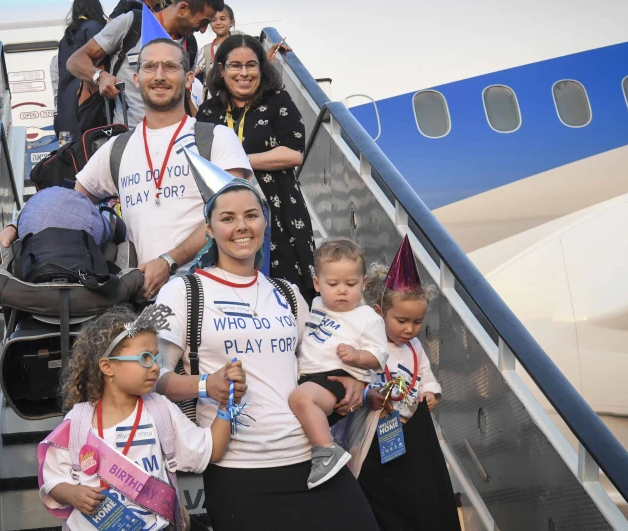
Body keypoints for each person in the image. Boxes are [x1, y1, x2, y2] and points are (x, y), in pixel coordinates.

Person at [152, 154, 380, 531]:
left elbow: (321, 361)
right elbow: (148, 376)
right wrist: (207, 385)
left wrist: (354, 378)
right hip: (239, 471)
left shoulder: (289, 293)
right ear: (208, 229)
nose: (241, 227)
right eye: (227, 218)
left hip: (313, 459)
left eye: (251, 215)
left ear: (265, 221)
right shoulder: (183, 291)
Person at [0, 39, 252, 300]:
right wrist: (14, 227)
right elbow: (67, 204)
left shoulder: (216, 138)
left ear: (189, 78)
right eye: (150, 67)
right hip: (144, 302)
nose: (159, 76)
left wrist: (169, 261)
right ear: (136, 79)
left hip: (214, 296)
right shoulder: (118, 148)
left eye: (170, 66)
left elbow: (233, 213)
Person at [38, 305, 246, 530]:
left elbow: (212, 449)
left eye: (157, 358)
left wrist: (227, 404)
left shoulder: (160, 410)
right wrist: (72, 493)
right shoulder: (78, 421)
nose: (156, 367)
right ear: (108, 367)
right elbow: (51, 479)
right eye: (145, 358)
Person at [342, 238, 461, 531]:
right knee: (374, 490)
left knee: (412, 495)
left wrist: (430, 393)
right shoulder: (367, 345)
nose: (409, 329)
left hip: (409, 433)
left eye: (417, 322)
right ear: (378, 312)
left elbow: (426, 376)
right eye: (402, 320)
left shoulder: (414, 347)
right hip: (373, 431)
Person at [197, 34, 317, 303]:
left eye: (251, 65)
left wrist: (236, 161)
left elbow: (293, 153)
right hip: (224, 214)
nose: (244, 73)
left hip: (279, 209)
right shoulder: (208, 111)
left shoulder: (278, 101)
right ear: (221, 69)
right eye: (235, 66)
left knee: (289, 289)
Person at [289, 238, 387, 488]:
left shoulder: (367, 318)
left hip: (336, 376)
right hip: (310, 376)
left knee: (301, 399)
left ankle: (326, 451)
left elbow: (379, 356)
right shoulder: (317, 304)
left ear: (363, 283)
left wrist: (357, 356)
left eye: (351, 284)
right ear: (317, 284)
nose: (342, 290)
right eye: (333, 284)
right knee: (298, 400)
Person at [67, 0, 224, 127]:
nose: (203, 30)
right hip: (128, 139)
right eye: (203, 22)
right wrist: (99, 77)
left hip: (173, 142)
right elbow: (75, 60)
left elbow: (185, 97)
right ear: (183, 8)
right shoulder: (132, 24)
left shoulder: (190, 45)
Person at [53, 0, 107, 142]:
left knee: (72, 157)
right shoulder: (93, 27)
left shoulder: (66, 37)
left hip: (66, 107)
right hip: (87, 103)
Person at [194, 4, 235, 85]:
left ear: (232, 22)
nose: (218, 23)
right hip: (212, 96)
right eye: (213, 20)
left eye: (222, 19)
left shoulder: (240, 46)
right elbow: (192, 73)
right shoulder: (206, 50)